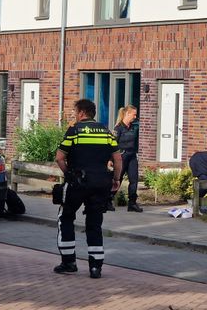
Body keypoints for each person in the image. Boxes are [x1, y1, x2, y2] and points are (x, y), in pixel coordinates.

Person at [54, 99, 122, 279]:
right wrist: (116, 179)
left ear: (82, 113)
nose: (74, 115)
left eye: (75, 112)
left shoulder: (74, 130)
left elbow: (60, 157)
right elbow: (118, 159)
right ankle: (95, 267)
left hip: (78, 182)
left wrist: (69, 174)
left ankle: (69, 262)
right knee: (94, 223)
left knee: (65, 217)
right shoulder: (106, 132)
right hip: (101, 183)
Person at [112, 105, 142, 212]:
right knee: (117, 179)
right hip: (121, 156)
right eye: (134, 114)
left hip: (132, 156)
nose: (135, 117)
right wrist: (111, 160)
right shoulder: (118, 128)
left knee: (134, 180)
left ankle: (132, 203)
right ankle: (108, 201)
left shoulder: (134, 127)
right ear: (127, 114)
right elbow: (113, 145)